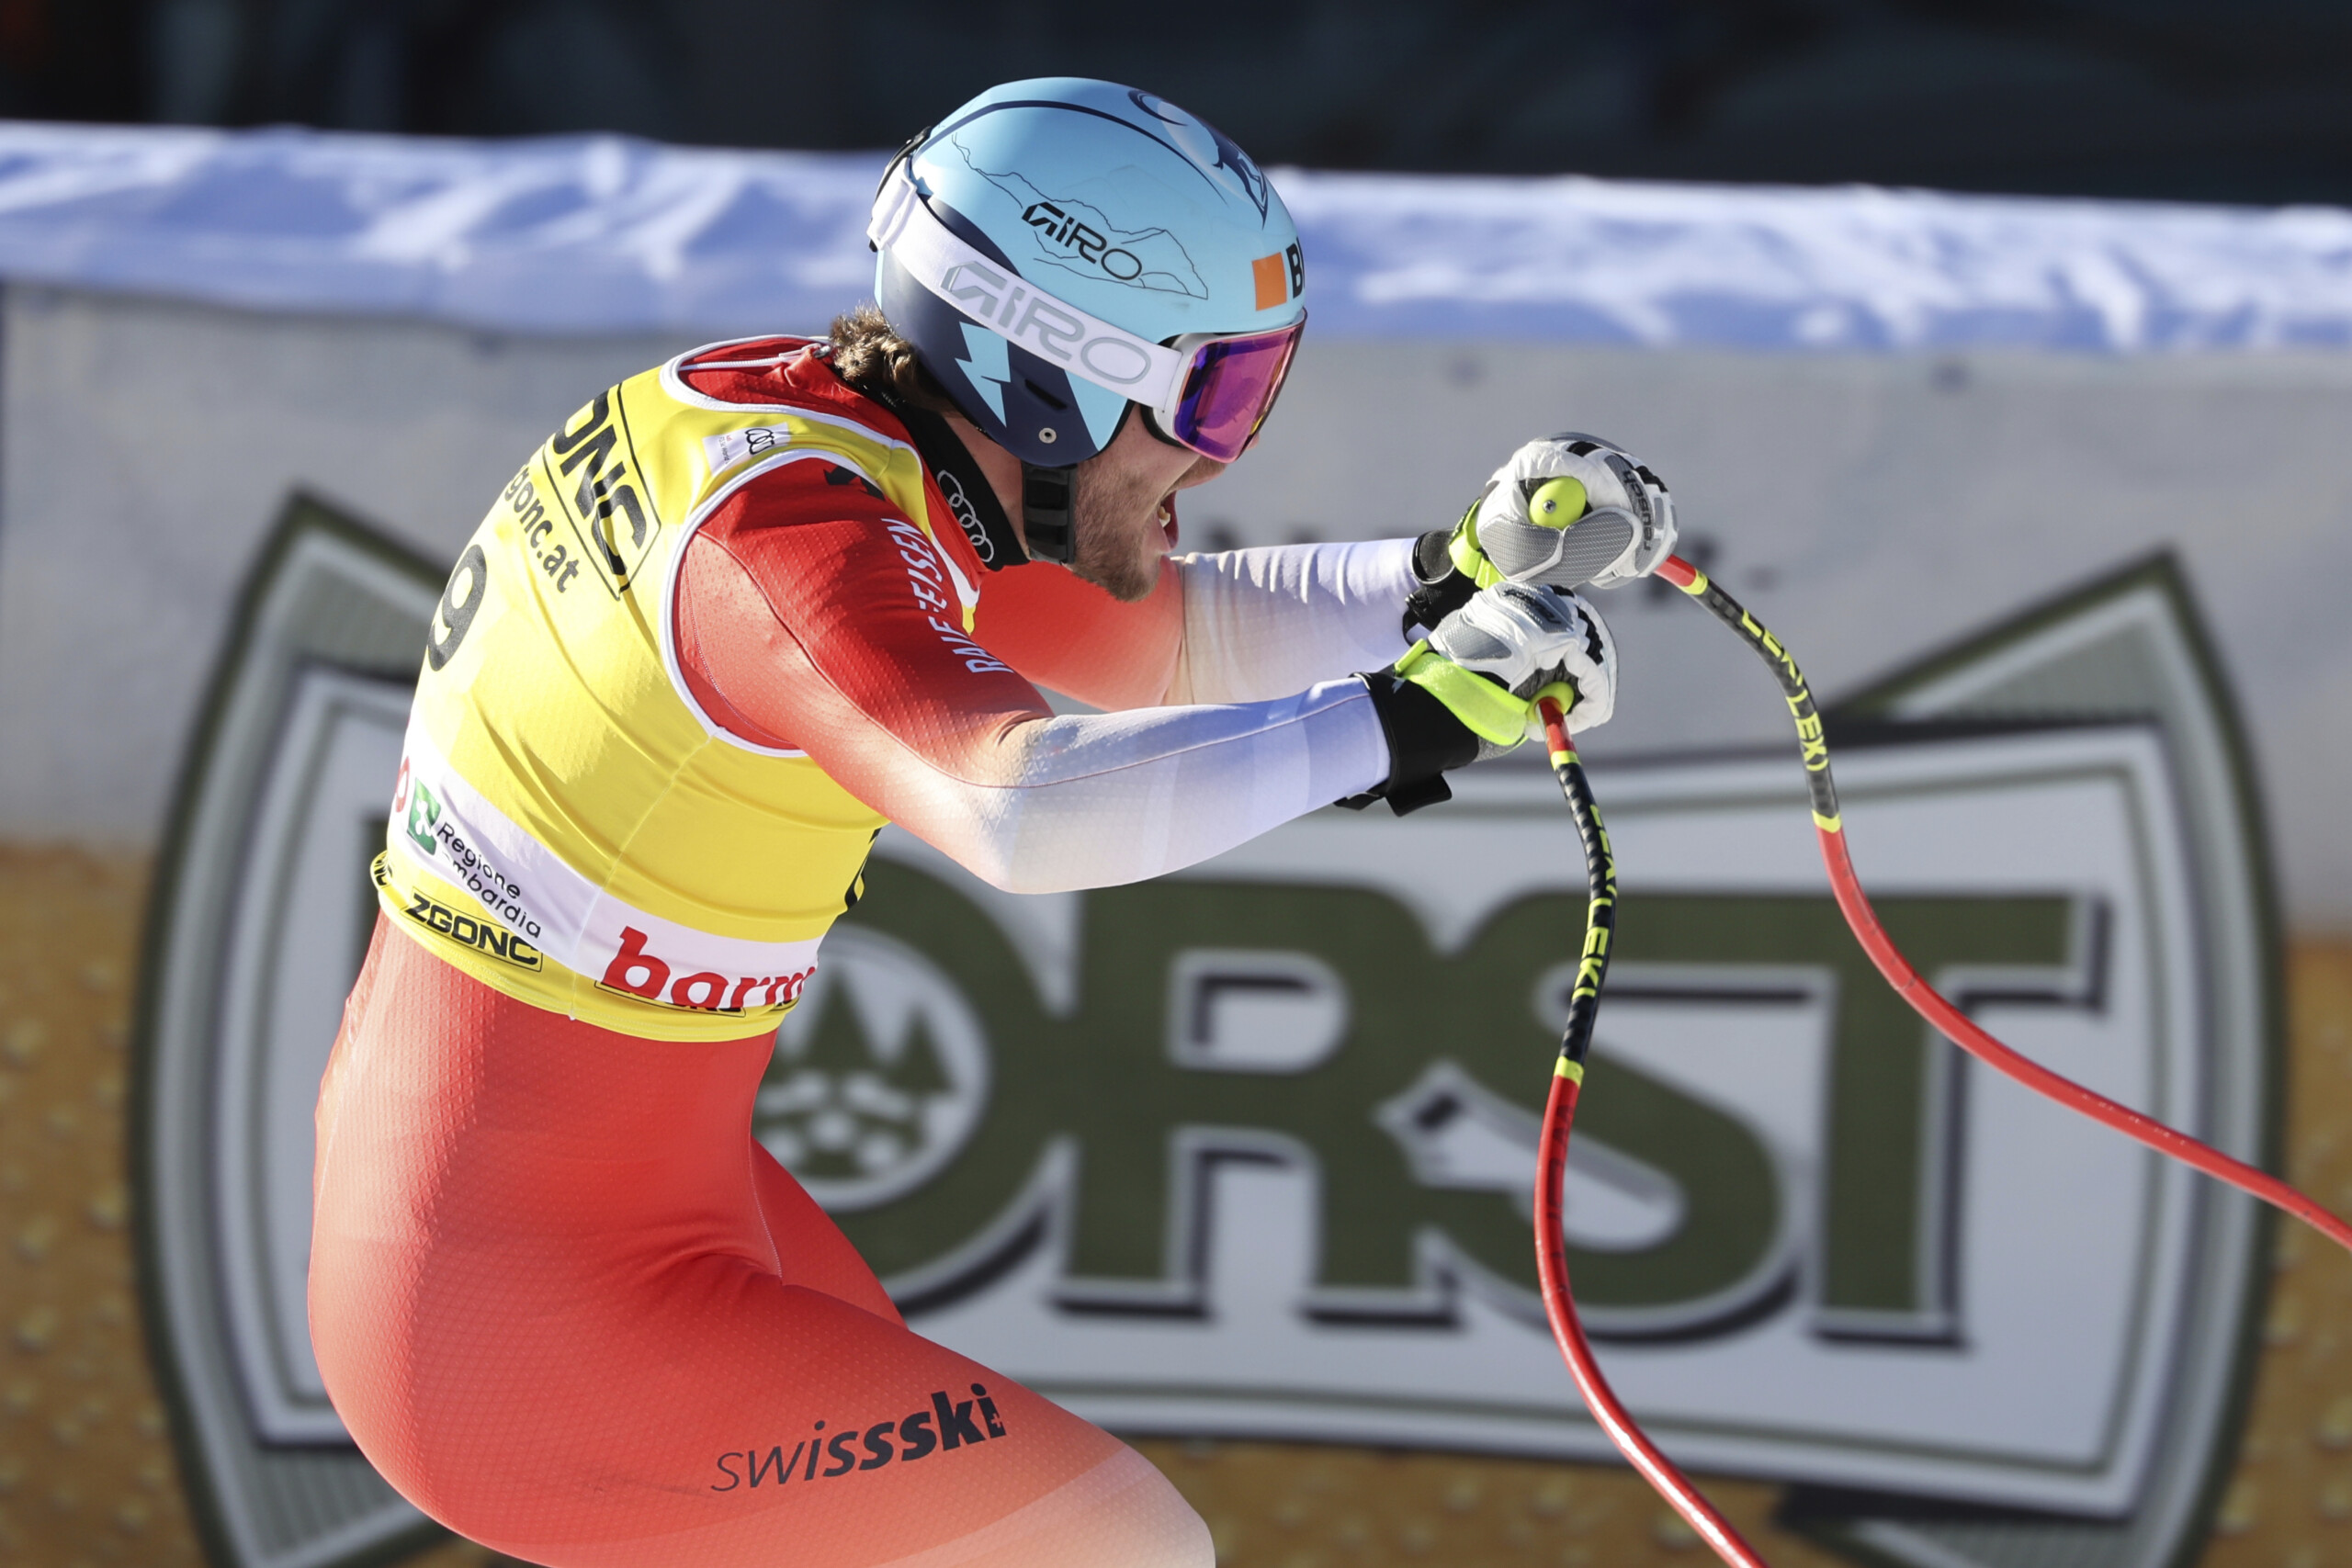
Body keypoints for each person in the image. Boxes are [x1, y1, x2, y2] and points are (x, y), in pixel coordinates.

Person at [310, 77, 1675, 1568]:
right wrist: (1411, 718)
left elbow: (1151, 647)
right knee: (1118, 1546)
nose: (1219, 460)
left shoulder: (837, 436)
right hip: (525, 1311)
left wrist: (1449, 573)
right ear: (1053, 373)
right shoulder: (797, 547)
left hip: (567, 1224)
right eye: (1214, 397)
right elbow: (1015, 808)